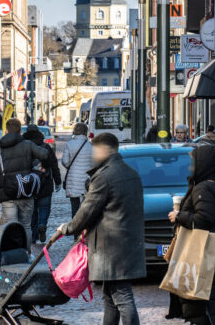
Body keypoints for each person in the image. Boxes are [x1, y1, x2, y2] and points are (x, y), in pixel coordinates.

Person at [58, 133, 145, 325]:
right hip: (126, 242)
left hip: (110, 247)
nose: (92, 155)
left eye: (94, 151)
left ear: (103, 150)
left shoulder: (104, 177)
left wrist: (67, 228)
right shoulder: (132, 173)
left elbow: (87, 210)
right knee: (110, 297)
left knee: (122, 296)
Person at [168, 143, 215, 325]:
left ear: (203, 163)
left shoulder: (203, 188)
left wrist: (179, 215)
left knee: (202, 306)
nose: (190, 167)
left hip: (203, 256)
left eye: (193, 162)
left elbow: (203, 219)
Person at [0, 118, 49, 247]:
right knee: (26, 225)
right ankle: (26, 253)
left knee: (10, 224)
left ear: (6, 130)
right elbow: (44, 154)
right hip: (25, 189)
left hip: (7, 192)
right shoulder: (28, 145)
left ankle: (13, 253)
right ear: (20, 131)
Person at [22, 125, 61, 243]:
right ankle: (42, 224)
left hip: (29, 183)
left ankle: (33, 236)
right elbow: (54, 165)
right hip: (45, 182)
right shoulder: (46, 147)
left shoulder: (23, 147)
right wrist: (58, 181)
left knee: (32, 210)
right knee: (44, 207)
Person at [61, 122, 93, 218]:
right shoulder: (90, 145)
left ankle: (76, 228)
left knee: (74, 205)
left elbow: (65, 161)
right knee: (86, 204)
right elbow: (93, 163)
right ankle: (85, 227)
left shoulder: (69, 144)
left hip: (73, 179)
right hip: (86, 179)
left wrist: (72, 167)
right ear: (85, 132)